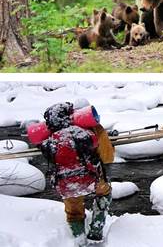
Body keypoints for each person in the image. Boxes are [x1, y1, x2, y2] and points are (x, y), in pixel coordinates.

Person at [38, 102, 112, 245]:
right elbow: (107, 157)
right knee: (104, 194)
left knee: (73, 212)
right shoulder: (92, 129)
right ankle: (96, 232)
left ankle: (80, 240)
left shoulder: (50, 138)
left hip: (66, 183)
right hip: (92, 179)